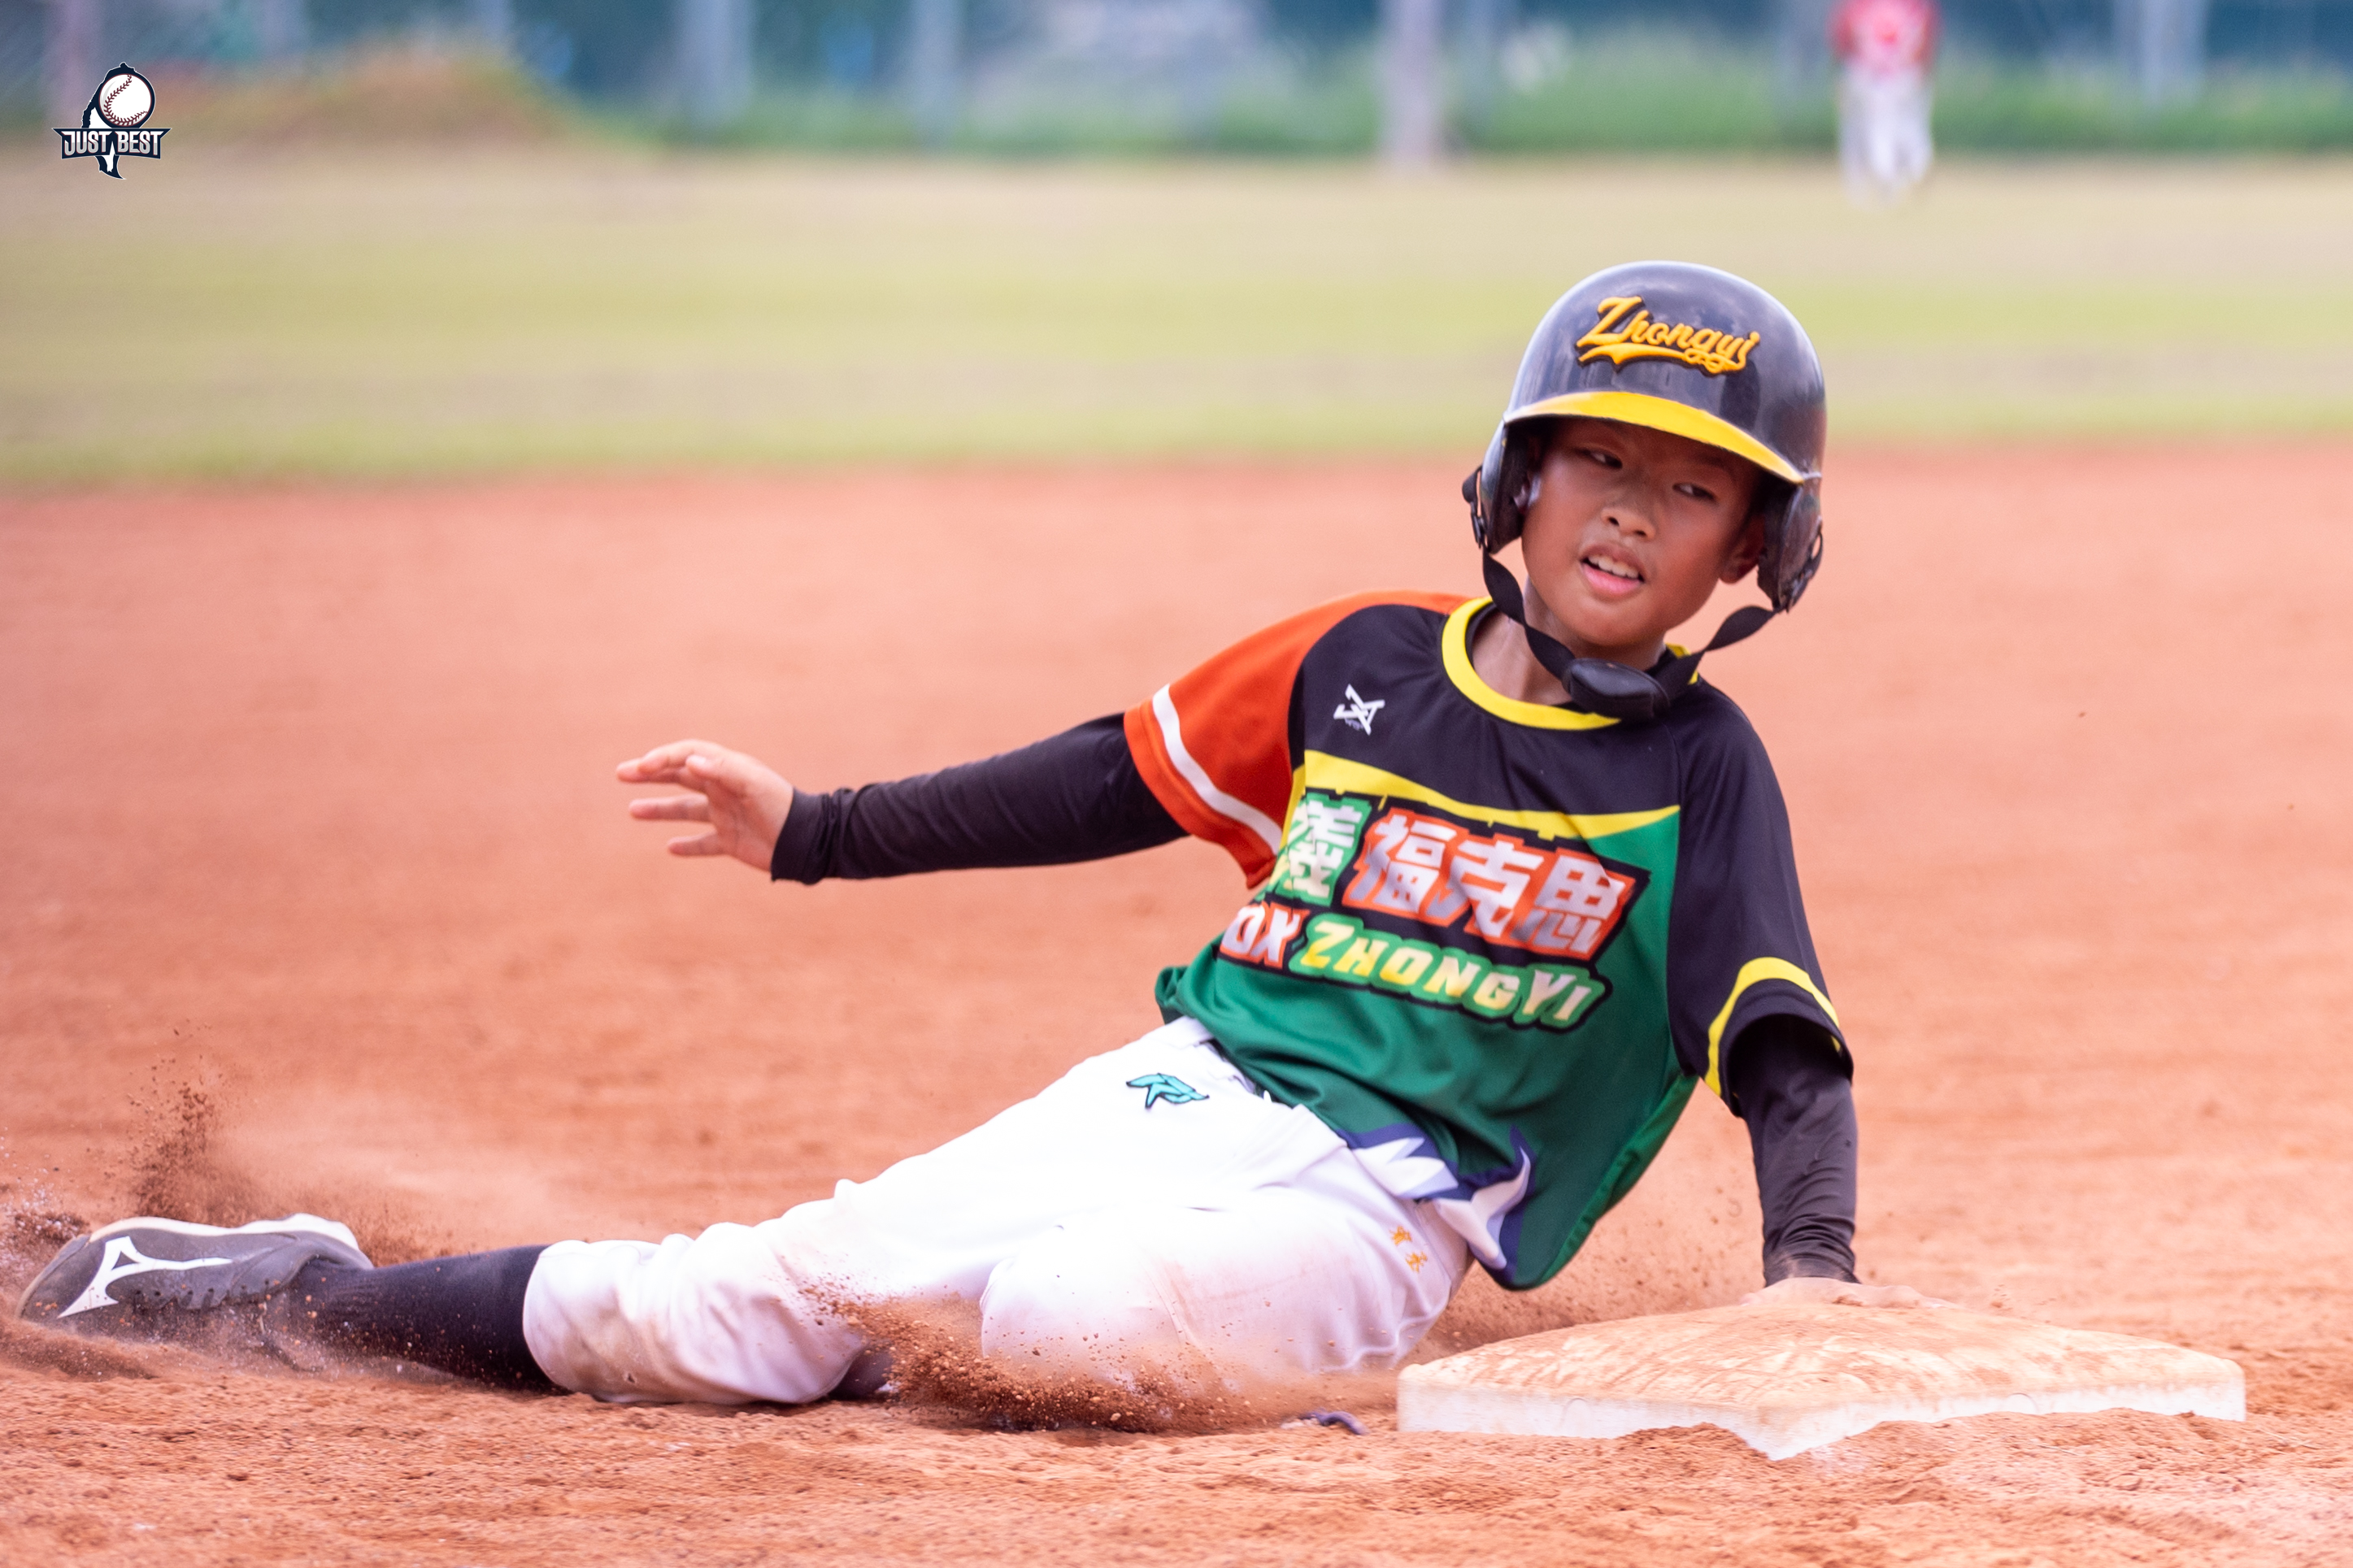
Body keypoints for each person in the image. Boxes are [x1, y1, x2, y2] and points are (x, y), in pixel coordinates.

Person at [19, 262, 1934, 1408]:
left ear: (1749, 550)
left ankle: (1202, 1367)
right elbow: (1102, 777)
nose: (1630, 510)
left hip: (1387, 1205)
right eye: (1599, 454)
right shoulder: (1362, 660)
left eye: (1693, 488)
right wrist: (815, 829)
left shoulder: (1699, 772)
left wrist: (1814, 1275)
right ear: (1518, 480)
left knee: (1060, 1315)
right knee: (740, 1307)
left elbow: (1778, 1038)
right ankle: (305, 1288)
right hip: (1181, 1092)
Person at [1830, 0, 1939, 205]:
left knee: (1879, 129)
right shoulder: (1915, 7)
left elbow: (1843, 38)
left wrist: (1841, 73)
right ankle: (1918, 165)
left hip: (1873, 76)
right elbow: (1927, 39)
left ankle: (1886, 176)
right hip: (1907, 73)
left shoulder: (1859, 7)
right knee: (1911, 126)